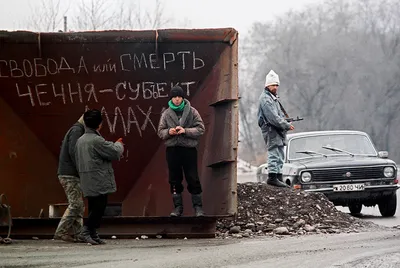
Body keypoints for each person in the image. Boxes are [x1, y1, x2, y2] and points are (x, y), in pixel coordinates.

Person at [75, 109, 124, 245]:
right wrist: (119, 144)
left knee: (93, 206)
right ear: (99, 124)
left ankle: (93, 233)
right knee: (99, 207)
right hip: (98, 178)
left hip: (86, 178)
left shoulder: (80, 141)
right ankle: (86, 231)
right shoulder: (96, 140)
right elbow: (114, 152)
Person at [157, 86, 205, 217]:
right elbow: (160, 131)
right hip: (173, 150)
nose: (177, 99)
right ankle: (177, 208)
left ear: (183, 98)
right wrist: (169, 132)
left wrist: (186, 131)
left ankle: (198, 207)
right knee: (174, 179)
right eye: (174, 97)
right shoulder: (166, 114)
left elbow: (200, 128)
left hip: (189, 150)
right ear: (171, 99)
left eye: (179, 97)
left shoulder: (192, 111)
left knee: (193, 178)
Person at [257, 70, 295, 187]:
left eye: (276, 85)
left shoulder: (272, 98)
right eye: (273, 85)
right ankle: (272, 177)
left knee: (279, 154)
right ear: (267, 85)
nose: (275, 87)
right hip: (271, 130)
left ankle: (278, 176)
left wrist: (285, 121)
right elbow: (273, 118)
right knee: (274, 152)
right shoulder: (266, 99)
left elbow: (278, 116)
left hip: (276, 130)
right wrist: (286, 125)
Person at [53, 115, 85, 242]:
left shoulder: (76, 129)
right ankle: (61, 232)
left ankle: (79, 233)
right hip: (69, 174)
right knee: (76, 204)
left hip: (69, 173)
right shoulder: (77, 130)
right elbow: (74, 151)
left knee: (79, 205)